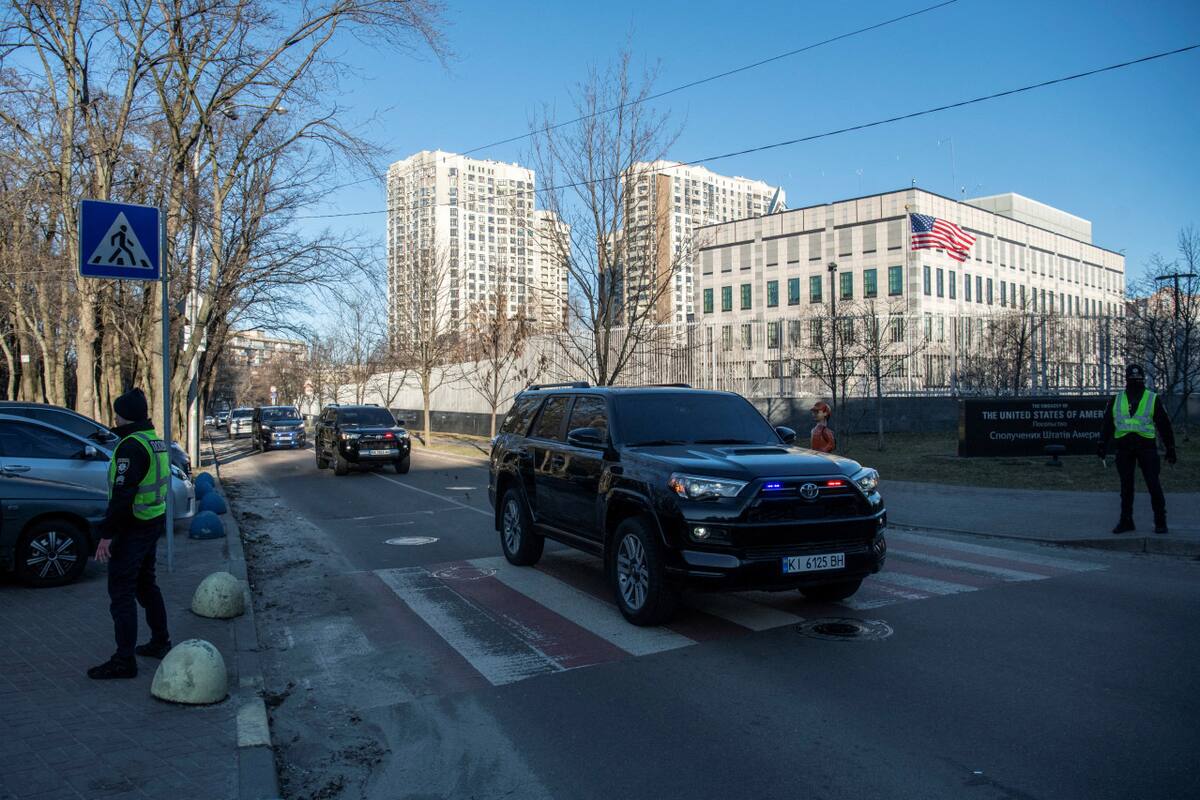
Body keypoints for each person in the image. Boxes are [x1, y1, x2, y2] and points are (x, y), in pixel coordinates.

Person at [88, 388, 173, 679]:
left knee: (122, 591)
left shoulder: (131, 446)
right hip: (152, 520)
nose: (115, 417)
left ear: (125, 415)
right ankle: (161, 641)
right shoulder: (153, 440)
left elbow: (124, 494)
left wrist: (107, 534)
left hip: (133, 526)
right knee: (146, 584)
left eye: (117, 413)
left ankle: (124, 660)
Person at [1097, 364, 1177, 535]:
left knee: (1153, 484)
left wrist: (1170, 447)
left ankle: (1160, 521)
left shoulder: (1152, 398)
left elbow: (1164, 425)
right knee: (1126, 487)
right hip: (1124, 448)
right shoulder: (1116, 399)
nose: (1135, 381)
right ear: (1127, 379)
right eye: (1133, 379)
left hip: (1146, 447)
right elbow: (1108, 424)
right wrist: (1102, 443)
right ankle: (1126, 520)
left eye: (1137, 378)